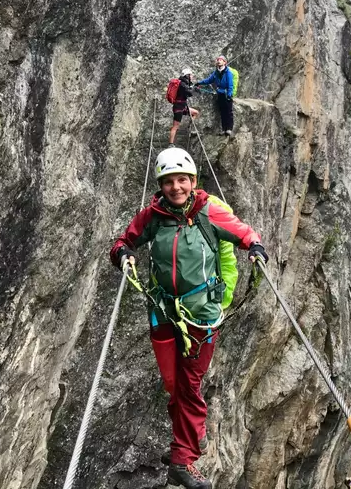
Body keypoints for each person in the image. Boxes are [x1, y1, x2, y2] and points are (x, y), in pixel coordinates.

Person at [110, 147, 268, 489]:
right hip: (164, 312)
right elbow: (124, 240)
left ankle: (182, 459)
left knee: (188, 385)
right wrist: (123, 254)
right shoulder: (152, 216)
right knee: (173, 384)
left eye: (182, 180)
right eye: (168, 181)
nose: (176, 187)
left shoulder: (208, 211)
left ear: (193, 181)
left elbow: (242, 231)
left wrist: (255, 247)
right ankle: (194, 433)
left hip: (202, 315)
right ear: (161, 185)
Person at [196, 55, 234, 136]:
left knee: (228, 112)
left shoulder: (228, 73)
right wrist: (199, 83)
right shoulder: (216, 73)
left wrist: (229, 94)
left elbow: (230, 85)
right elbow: (209, 80)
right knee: (222, 112)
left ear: (225, 62)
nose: (219, 61)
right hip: (220, 94)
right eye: (218, 60)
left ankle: (229, 129)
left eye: (221, 60)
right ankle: (224, 129)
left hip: (226, 94)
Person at [169, 68, 200, 146]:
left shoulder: (183, 83)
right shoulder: (182, 84)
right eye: (191, 75)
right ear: (187, 75)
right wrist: (194, 89)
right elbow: (189, 93)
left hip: (182, 107)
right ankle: (171, 144)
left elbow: (188, 89)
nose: (192, 76)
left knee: (195, 113)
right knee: (175, 126)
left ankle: (190, 128)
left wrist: (193, 86)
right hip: (179, 108)